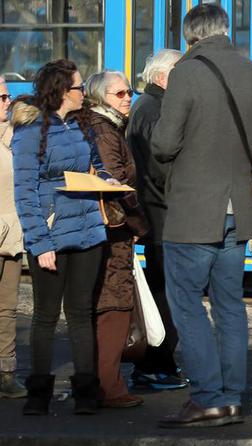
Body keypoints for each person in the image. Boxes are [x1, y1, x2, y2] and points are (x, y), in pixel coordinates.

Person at [152, 4, 252, 428]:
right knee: (230, 306)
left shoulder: (185, 72)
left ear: (191, 36)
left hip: (193, 209)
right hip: (237, 210)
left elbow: (165, 145)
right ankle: (233, 398)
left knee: (186, 302)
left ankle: (206, 396)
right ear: (224, 30)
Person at [12, 60, 111, 416]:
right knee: (46, 316)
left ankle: (86, 391)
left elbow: (97, 165)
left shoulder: (82, 125)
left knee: (81, 313)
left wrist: (106, 181)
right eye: (79, 88)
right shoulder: (30, 131)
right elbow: (25, 191)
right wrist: (40, 244)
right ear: (61, 91)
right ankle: (38, 395)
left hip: (87, 231)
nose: (84, 93)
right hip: (52, 233)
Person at [74, 70, 149, 408]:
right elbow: (115, 186)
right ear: (99, 97)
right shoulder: (105, 131)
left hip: (99, 229)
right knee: (114, 306)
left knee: (101, 305)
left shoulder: (99, 125)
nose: (127, 98)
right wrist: (138, 224)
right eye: (119, 94)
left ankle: (100, 383)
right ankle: (110, 386)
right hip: (112, 229)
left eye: (129, 91)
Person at [125, 49, 187, 390]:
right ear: (163, 77)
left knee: (164, 291)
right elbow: (159, 168)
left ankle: (159, 364)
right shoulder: (155, 110)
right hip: (162, 215)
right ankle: (156, 365)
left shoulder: (147, 107)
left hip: (155, 213)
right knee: (165, 293)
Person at [0, 81, 24, 398]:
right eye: (2, 96)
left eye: (7, 96)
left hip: (12, 236)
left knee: (7, 309)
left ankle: (5, 374)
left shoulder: (16, 137)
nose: (7, 102)